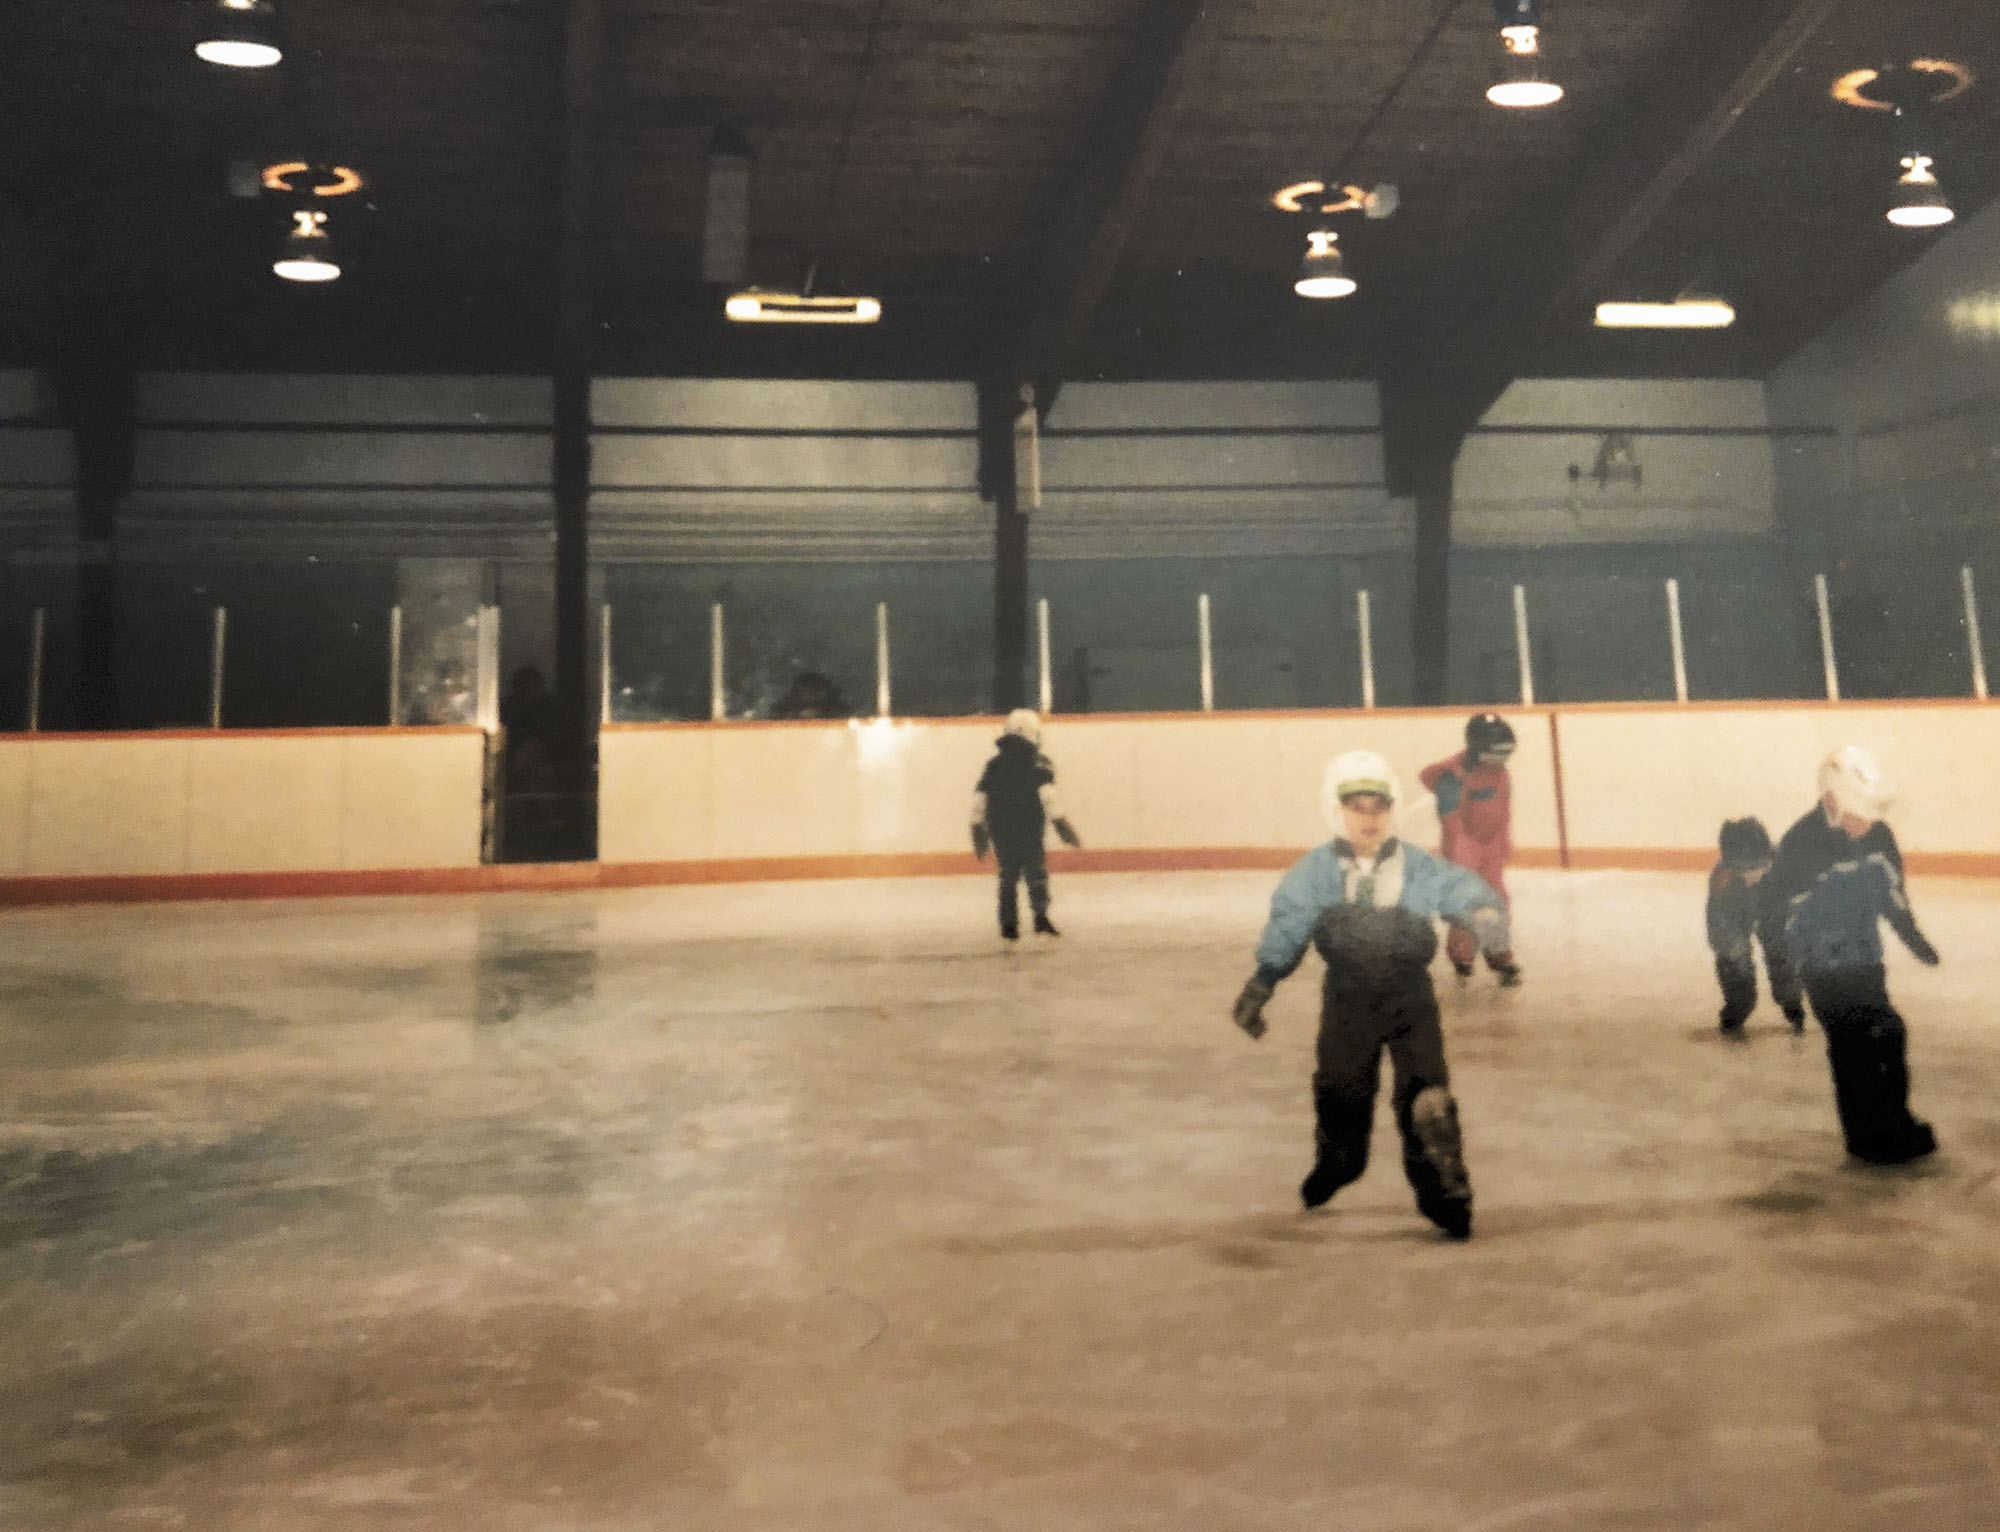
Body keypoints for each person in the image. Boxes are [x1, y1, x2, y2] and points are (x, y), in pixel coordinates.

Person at [1229, 750, 1511, 1239]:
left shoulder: (1416, 866)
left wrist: (1482, 914)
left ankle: (1444, 1191)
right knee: (1342, 1093)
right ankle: (1337, 1163)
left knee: (1428, 1100)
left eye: (1378, 806)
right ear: (1334, 811)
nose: (1369, 817)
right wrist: (1263, 982)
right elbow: (1289, 923)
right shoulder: (1317, 871)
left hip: (1410, 997)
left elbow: (1459, 888)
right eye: (1355, 806)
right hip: (1348, 1001)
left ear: (1393, 810)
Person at [1766, 745, 1941, 1165]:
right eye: (1858, 810)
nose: (1867, 822)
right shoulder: (1801, 844)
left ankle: (1894, 1119)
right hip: (1821, 969)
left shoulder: (1878, 836)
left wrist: (1913, 937)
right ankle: (1864, 1137)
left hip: (1865, 960)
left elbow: (1891, 893)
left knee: (1887, 1033)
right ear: (1830, 799)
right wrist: (1786, 982)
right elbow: (1775, 918)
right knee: (1852, 1045)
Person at [1419, 712, 1524, 986]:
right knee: (1468, 903)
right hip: (1463, 847)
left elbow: (1503, 810)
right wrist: (1462, 853)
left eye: (1507, 752)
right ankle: (1462, 955)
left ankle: (1500, 956)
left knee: (1498, 902)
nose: (1502, 759)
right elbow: (1450, 818)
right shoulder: (1453, 776)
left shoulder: (1500, 773)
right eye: (1496, 753)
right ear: (1477, 749)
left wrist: (1502, 841)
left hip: (1491, 847)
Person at [970, 708, 1081, 940]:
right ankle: (1041, 919)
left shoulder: (994, 764)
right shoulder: (1039, 763)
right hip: (1030, 826)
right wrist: (1062, 826)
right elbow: (1049, 798)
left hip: (1000, 827)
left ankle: (1008, 926)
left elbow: (980, 799)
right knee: (1036, 872)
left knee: (1008, 874)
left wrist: (978, 830)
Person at [1705, 816, 1804, 1035]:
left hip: (1775, 909)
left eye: (1757, 865)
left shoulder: (1786, 870)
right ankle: (1738, 1004)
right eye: (1742, 868)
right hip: (1734, 913)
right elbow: (1724, 934)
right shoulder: (1721, 884)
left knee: (1782, 950)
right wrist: (1739, 999)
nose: (1751, 874)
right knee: (1733, 959)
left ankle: (1792, 1003)